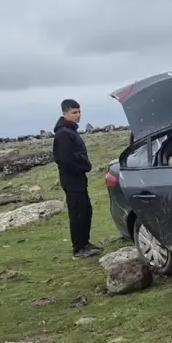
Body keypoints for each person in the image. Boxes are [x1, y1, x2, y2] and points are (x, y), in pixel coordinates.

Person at [52, 99, 99, 258]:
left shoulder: (70, 130)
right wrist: (83, 165)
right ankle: (79, 248)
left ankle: (85, 243)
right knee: (78, 213)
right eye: (74, 112)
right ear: (65, 113)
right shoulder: (63, 134)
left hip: (78, 179)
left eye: (79, 112)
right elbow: (65, 159)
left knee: (85, 211)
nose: (78, 115)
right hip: (72, 179)